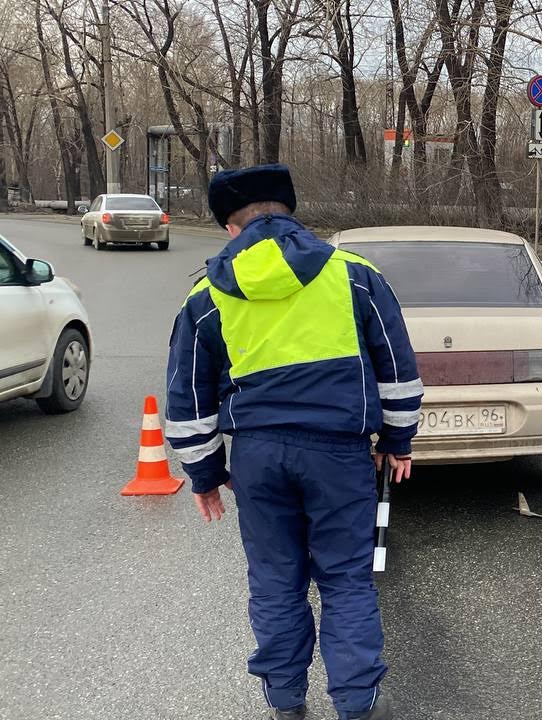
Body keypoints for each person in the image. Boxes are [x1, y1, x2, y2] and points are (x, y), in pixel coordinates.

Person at [164, 164, 421, 719]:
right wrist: (398, 440)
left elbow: (188, 399)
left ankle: (285, 703)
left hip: (257, 457)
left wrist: (205, 476)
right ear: (291, 214)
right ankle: (356, 704)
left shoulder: (206, 296)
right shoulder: (354, 277)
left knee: (276, 580)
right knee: (346, 578)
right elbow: (398, 368)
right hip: (339, 453)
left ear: (231, 230)